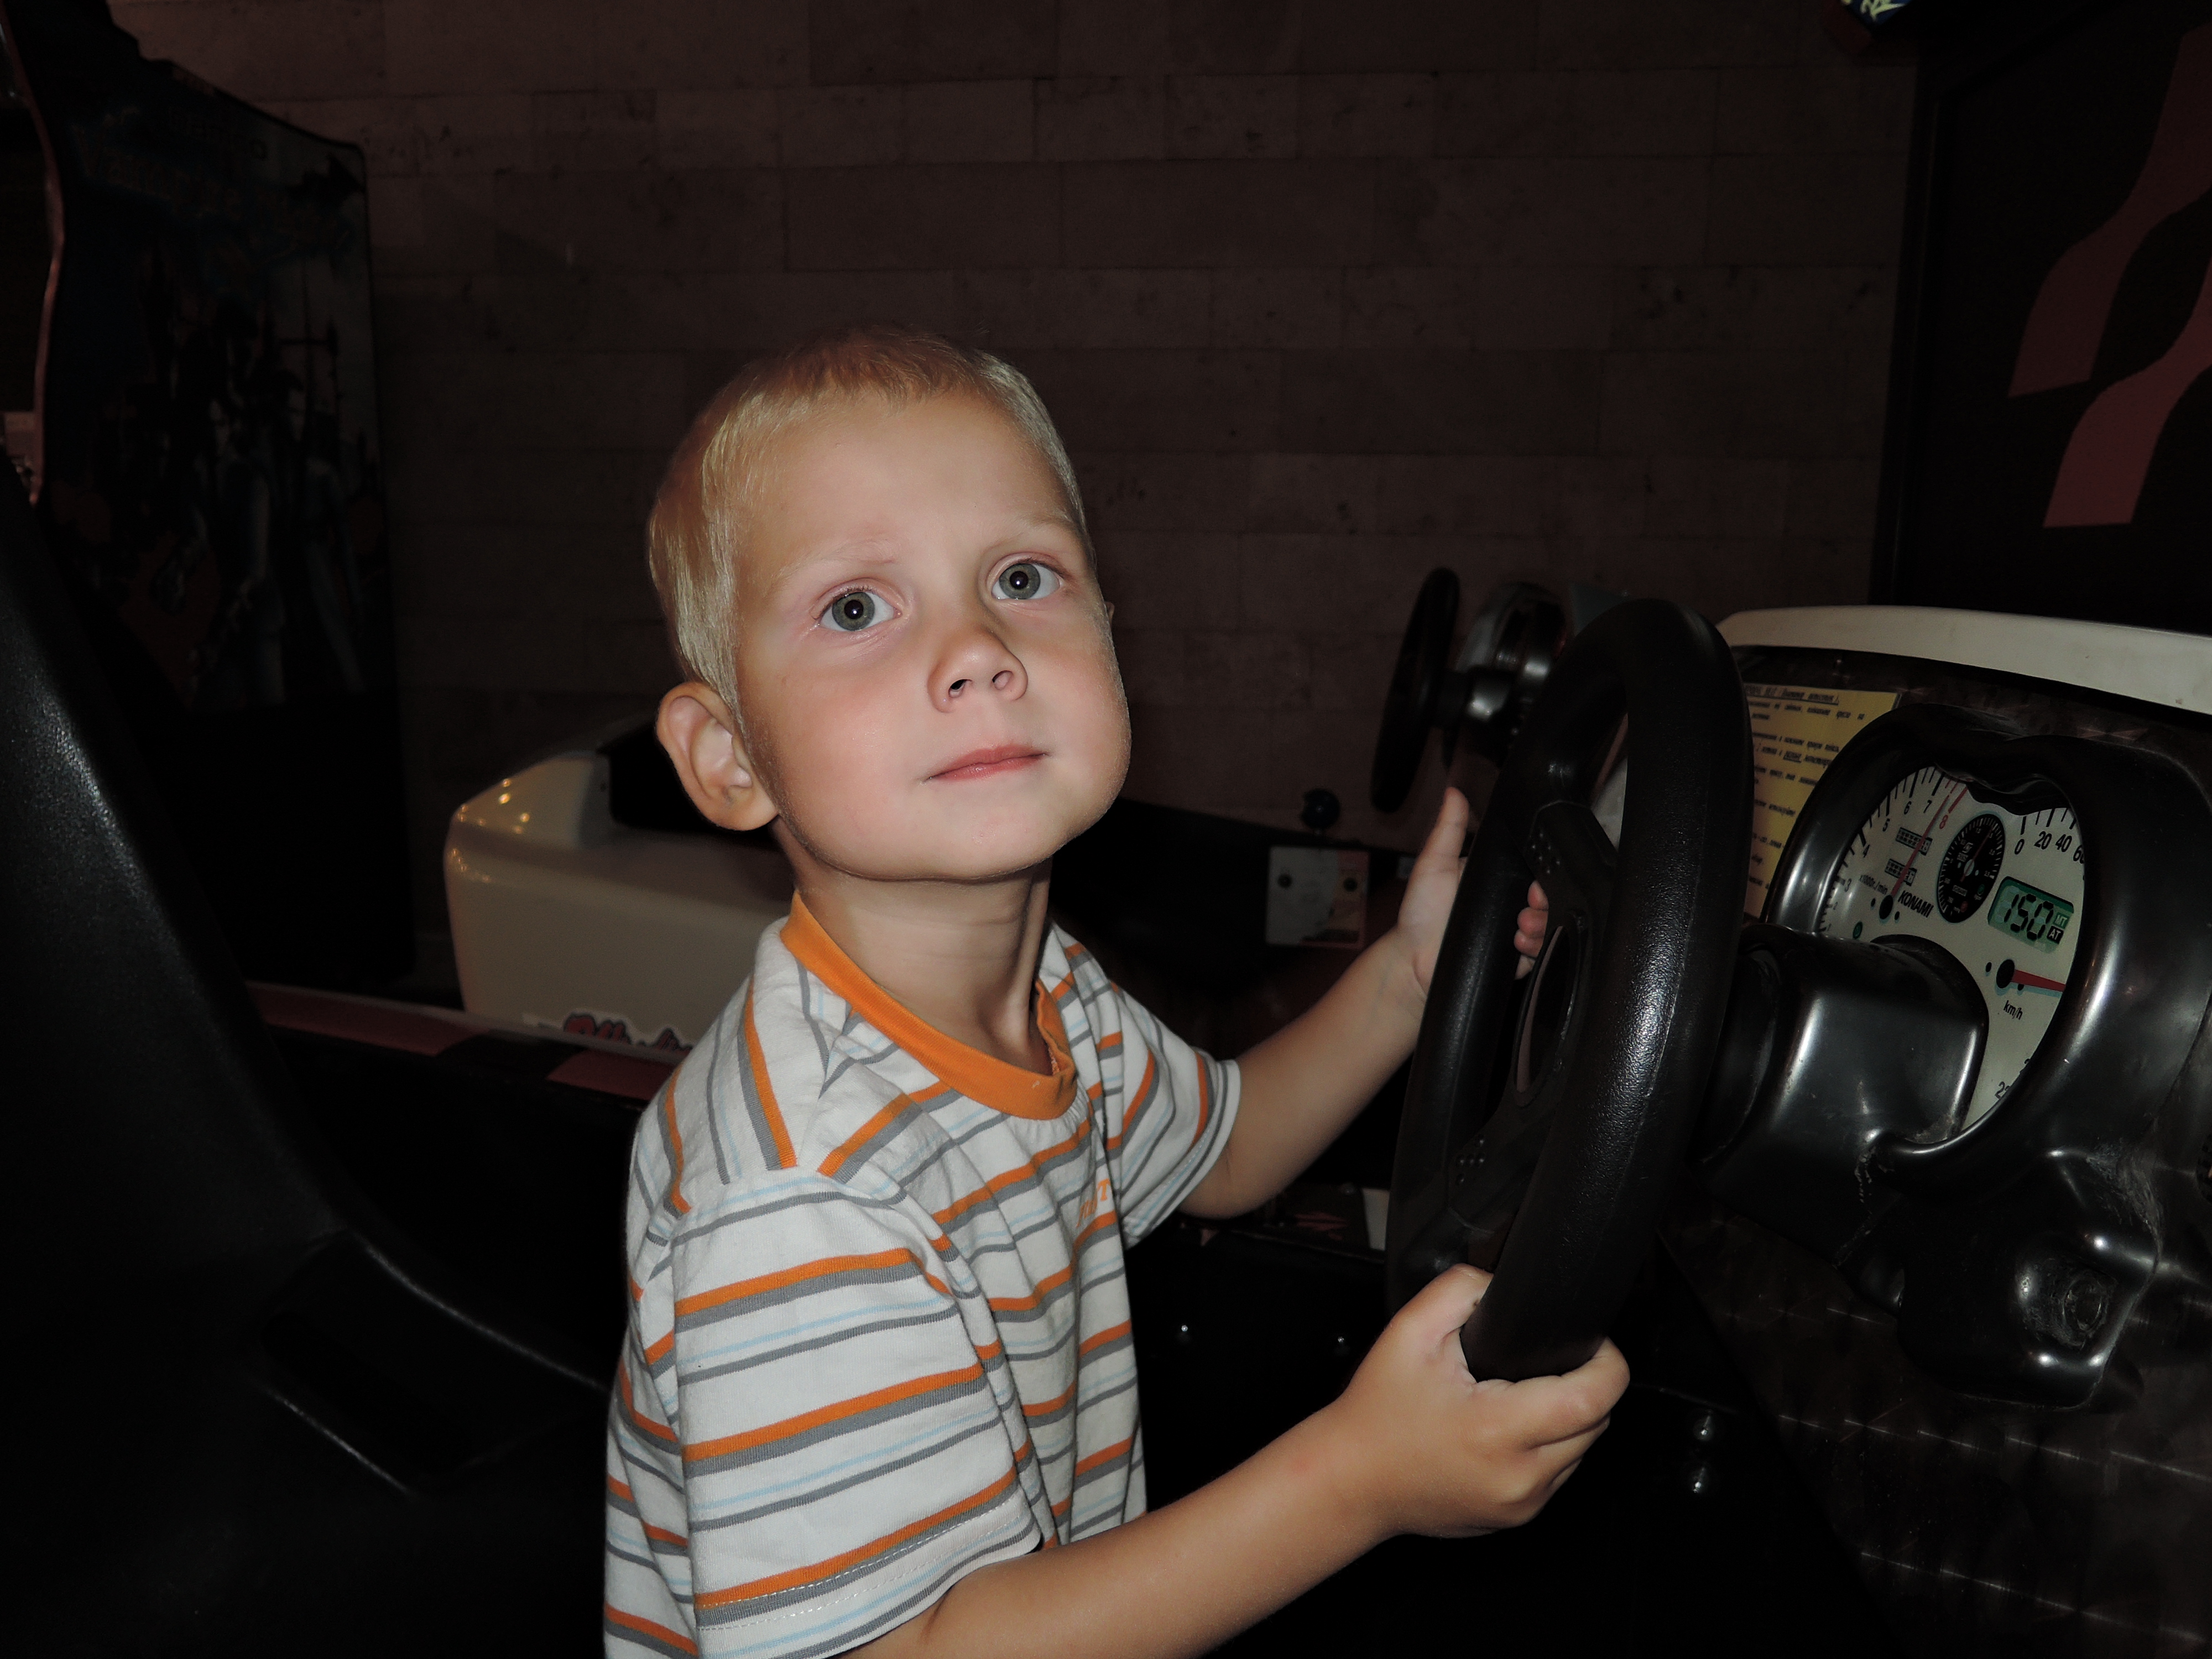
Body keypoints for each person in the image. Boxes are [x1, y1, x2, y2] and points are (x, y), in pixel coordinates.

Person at [603, 325, 1618, 1659]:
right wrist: (1359, 1478)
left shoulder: (1050, 995)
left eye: (1021, 578)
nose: (977, 649)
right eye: (855, 608)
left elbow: (1226, 1151)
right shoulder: (799, 1201)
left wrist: (1408, 977)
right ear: (730, 757)